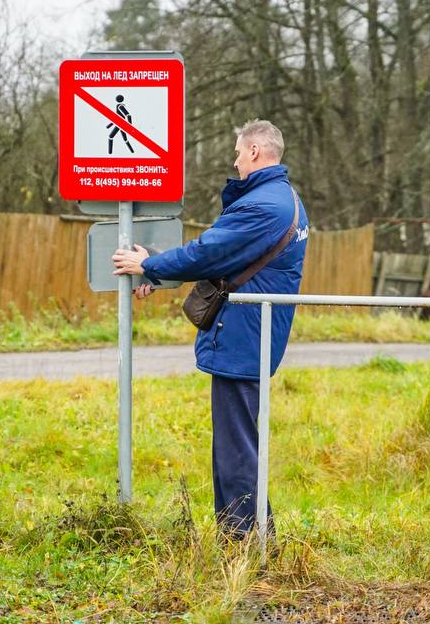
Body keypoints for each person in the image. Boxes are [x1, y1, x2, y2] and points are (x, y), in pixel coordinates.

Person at [111, 119, 308, 540]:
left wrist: (149, 264)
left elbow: (209, 252)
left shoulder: (263, 206)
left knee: (237, 448)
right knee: (236, 443)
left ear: (254, 151)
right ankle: (247, 536)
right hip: (250, 335)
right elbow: (228, 258)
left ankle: (246, 541)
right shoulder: (283, 198)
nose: (235, 162)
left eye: (238, 153)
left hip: (244, 337)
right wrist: (158, 269)